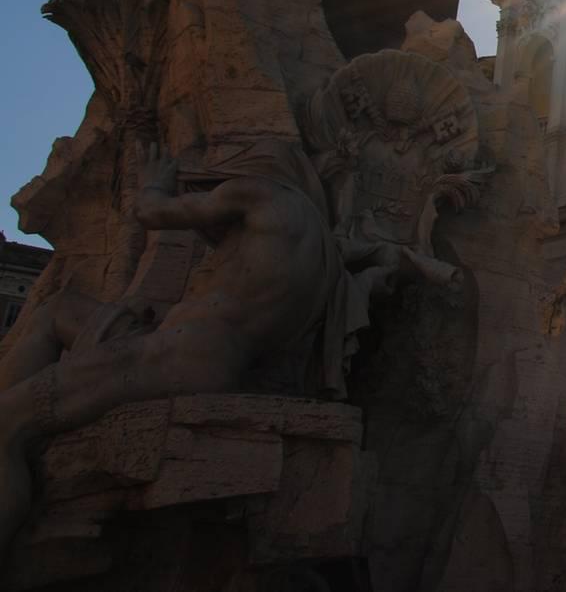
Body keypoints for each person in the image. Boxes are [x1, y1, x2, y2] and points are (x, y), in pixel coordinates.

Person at [0, 140, 343, 558]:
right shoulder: (323, 252)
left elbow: (153, 213)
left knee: (8, 428)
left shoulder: (257, 192)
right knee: (60, 311)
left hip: (171, 355)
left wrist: (154, 183)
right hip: (200, 356)